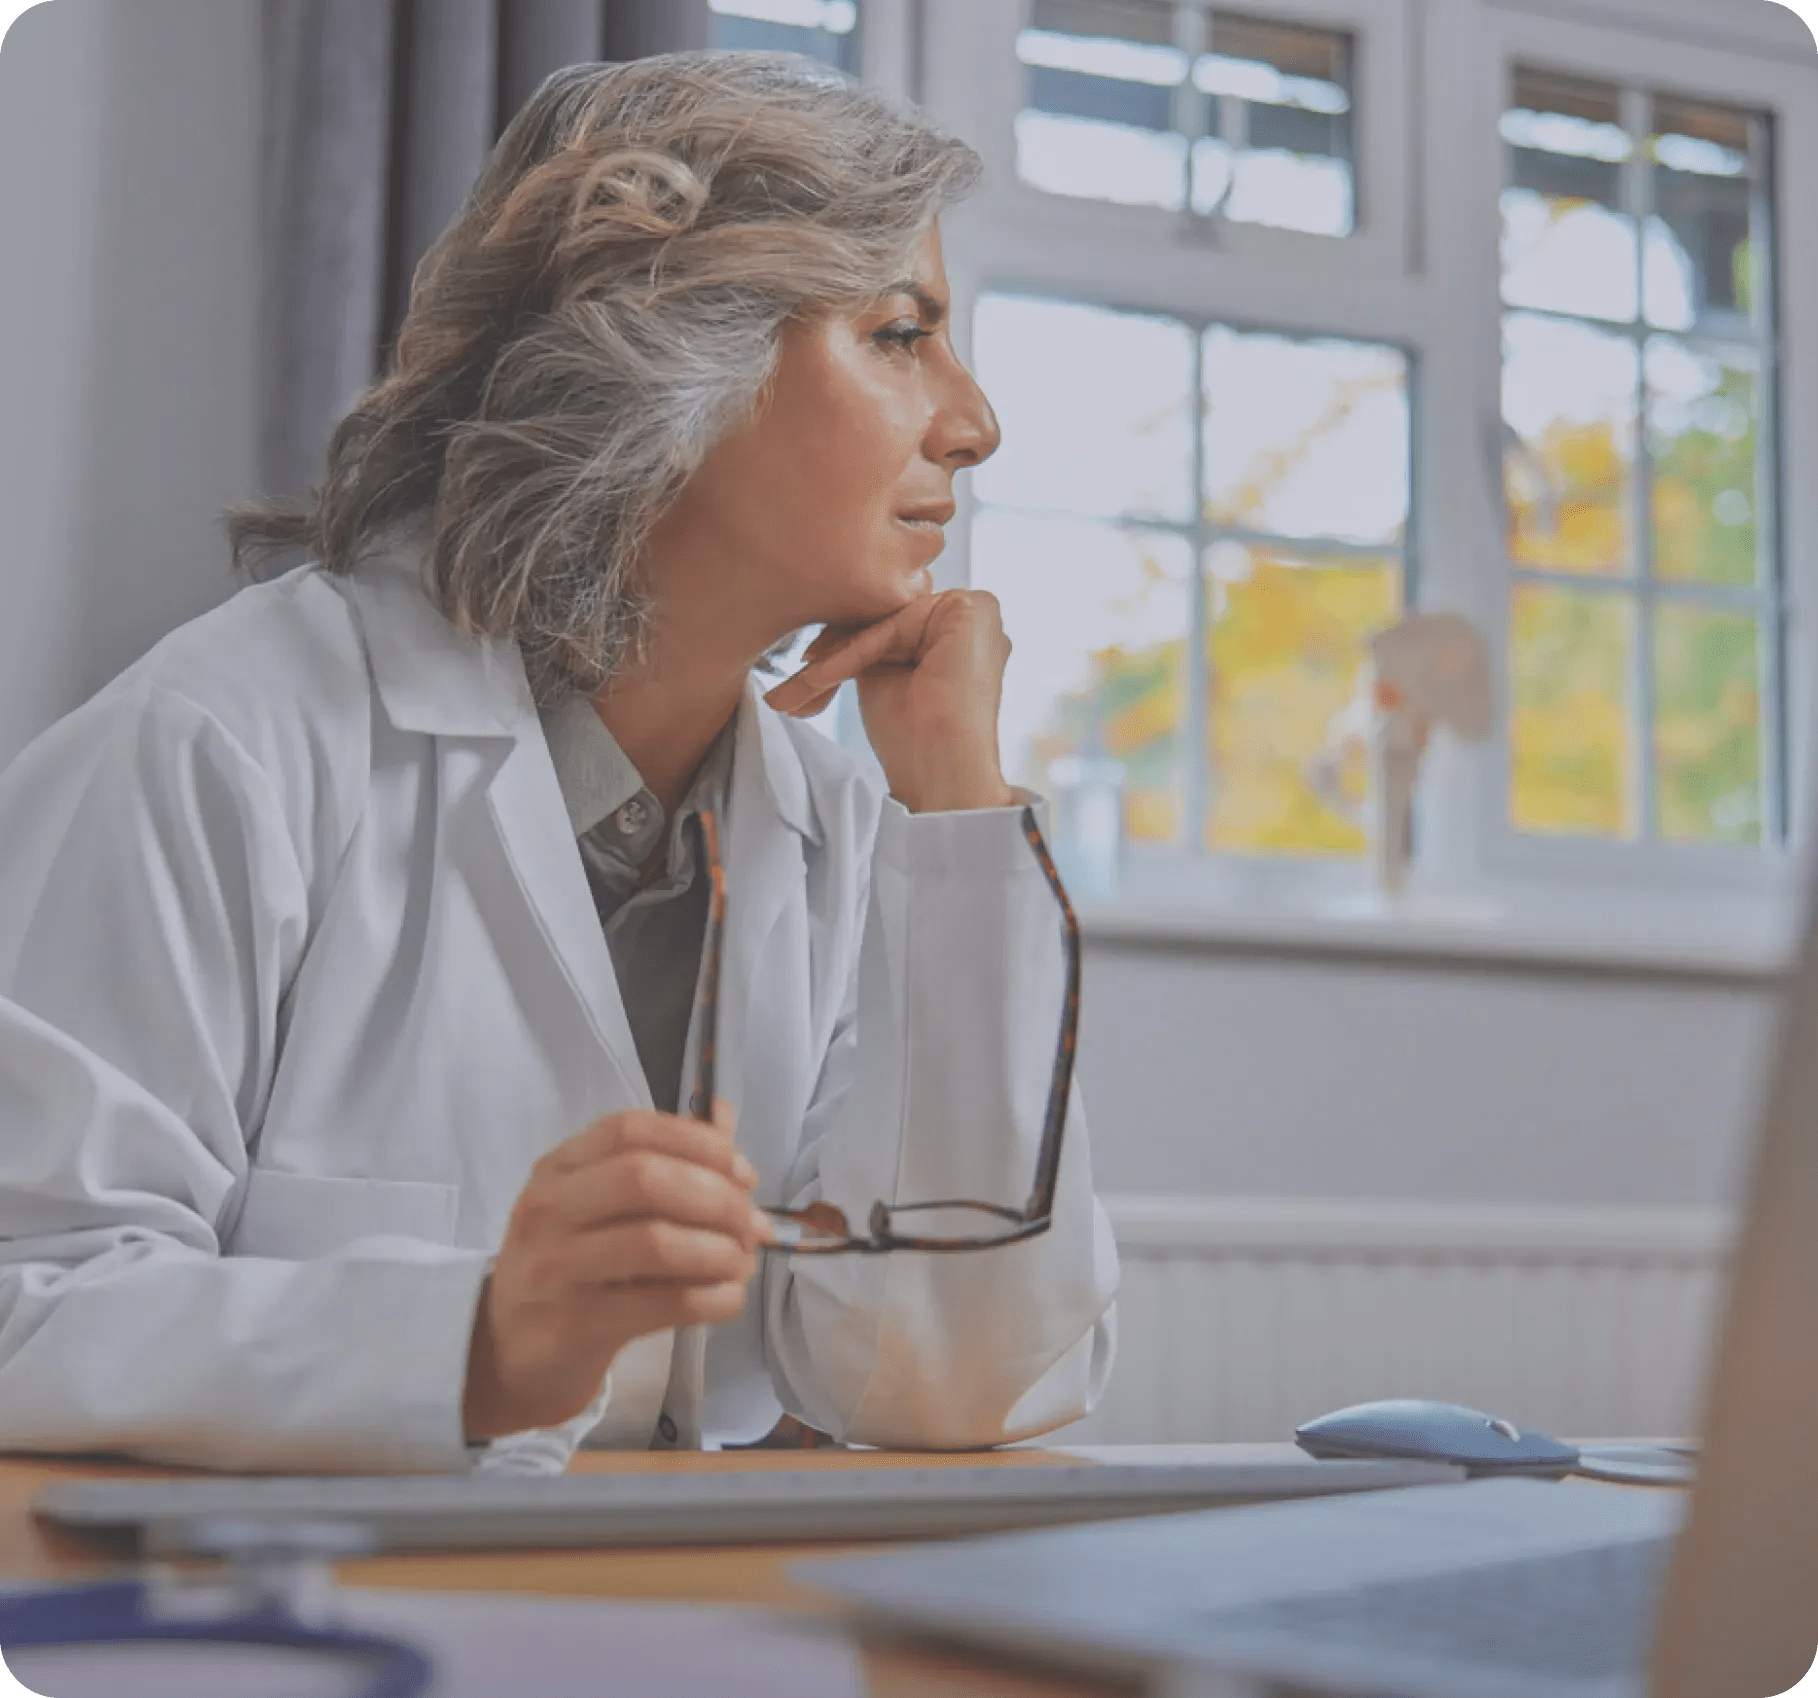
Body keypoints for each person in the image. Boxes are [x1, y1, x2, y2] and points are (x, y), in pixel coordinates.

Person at [0, 51, 1117, 1475]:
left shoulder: (835, 819)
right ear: (670, 356)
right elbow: (24, 1304)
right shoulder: (225, 741)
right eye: (901, 333)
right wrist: (472, 1341)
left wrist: (959, 818)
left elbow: (953, 1382)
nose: (973, 421)